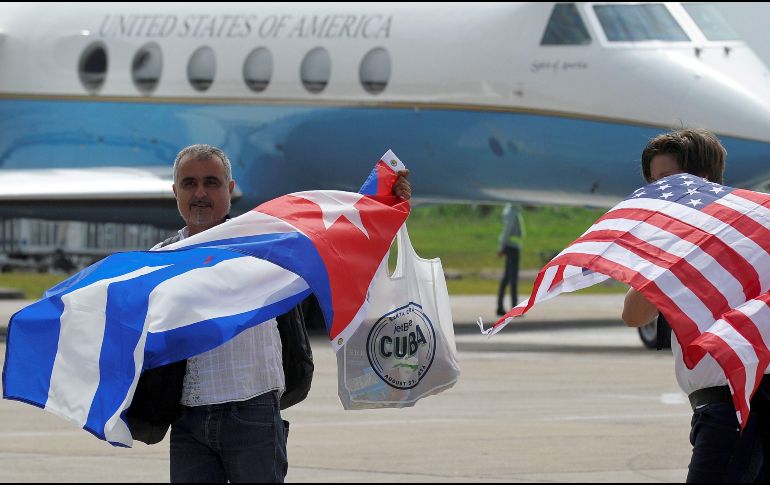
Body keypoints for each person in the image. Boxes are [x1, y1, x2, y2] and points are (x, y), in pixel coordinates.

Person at [128, 144, 412, 483]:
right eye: (190, 183)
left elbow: (341, 240)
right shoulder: (160, 260)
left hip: (253, 416)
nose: (200, 193)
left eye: (211, 183)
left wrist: (383, 202)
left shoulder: (265, 245)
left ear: (230, 189)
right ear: (176, 192)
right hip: (188, 420)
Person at [621, 128, 770, 482]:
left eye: (666, 180)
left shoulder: (746, 231)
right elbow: (635, 314)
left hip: (737, 405)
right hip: (719, 406)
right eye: (653, 181)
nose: (656, 191)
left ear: (701, 178)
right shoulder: (675, 243)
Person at [497, 203, 525, 315]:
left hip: (512, 247)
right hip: (511, 248)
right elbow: (507, 229)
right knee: (512, 279)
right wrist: (501, 247)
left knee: (508, 278)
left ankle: (502, 307)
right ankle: (513, 307)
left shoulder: (513, 210)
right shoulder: (511, 212)